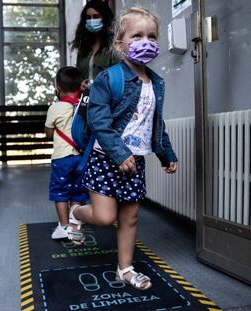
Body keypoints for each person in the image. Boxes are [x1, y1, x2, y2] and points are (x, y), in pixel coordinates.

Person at [69, 7, 178, 290]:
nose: (146, 41)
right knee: (105, 218)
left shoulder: (157, 82)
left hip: (135, 162)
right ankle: (77, 212)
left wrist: (166, 153)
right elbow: (99, 121)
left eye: (152, 36)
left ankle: (125, 269)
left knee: (129, 218)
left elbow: (156, 124)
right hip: (106, 158)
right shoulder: (110, 78)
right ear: (120, 45)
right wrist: (119, 153)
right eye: (137, 35)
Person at [45, 66, 89, 240]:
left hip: (62, 158)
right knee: (78, 191)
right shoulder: (85, 105)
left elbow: (49, 134)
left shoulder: (55, 108)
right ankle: (74, 226)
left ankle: (63, 226)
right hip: (81, 157)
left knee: (60, 192)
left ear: (58, 89)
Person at [70, 0, 117, 83]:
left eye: (96, 16)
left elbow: (118, 77)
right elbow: (79, 76)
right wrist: (81, 84)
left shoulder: (114, 45)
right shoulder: (83, 46)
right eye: (88, 17)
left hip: (107, 94)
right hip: (86, 95)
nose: (91, 20)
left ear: (105, 18)